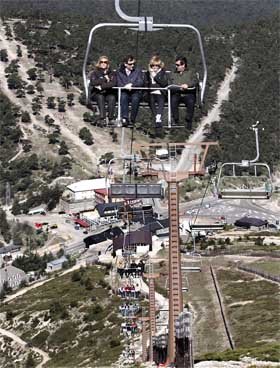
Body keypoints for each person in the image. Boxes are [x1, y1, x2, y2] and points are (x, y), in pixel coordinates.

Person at [169, 56, 198, 130]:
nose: (176, 67)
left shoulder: (191, 72)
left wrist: (187, 85)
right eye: (176, 65)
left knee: (191, 101)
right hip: (177, 92)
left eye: (178, 65)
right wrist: (177, 87)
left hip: (188, 92)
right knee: (173, 100)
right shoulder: (173, 73)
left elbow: (195, 81)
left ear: (183, 65)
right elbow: (170, 82)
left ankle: (189, 120)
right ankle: (175, 119)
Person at [116, 55, 144, 127]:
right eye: (130, 64)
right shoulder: (119, 71)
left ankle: (132, 119)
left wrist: (132, 85)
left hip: (135, 91)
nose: (132, 65)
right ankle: (125, 118)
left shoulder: (137, 71)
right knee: (123, 97)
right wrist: (125, 86)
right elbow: (118, 83)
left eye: (133, 64)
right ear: (125, 64)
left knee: (135, 99)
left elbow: (140, 82)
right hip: (124, 91)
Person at [89, 55, 117, 126]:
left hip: (107, 93)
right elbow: (93, 82)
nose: (103, 63)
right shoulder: (95, 73)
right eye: (101, 62)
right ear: (99, 63)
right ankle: (102, 118)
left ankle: (111, 118)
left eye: (105, 62)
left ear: (108, 64)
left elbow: (113, 83)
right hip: (97, 93)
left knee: (112, 97)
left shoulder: (112, 73)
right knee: (100, 97)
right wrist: (104, 79)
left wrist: (101, 86)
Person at [144, 55, 168, 129]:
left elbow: (164, 83)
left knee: (161, 100)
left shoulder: (163, 73)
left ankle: (158, 116)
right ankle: (157, 118)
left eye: (156, 65)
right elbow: (145, 83)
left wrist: (155, 76)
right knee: (151, 100)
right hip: (151, 93)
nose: (154, 67)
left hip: (160, 92)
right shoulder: (148, 73)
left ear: (159, 66)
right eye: (152, 65)